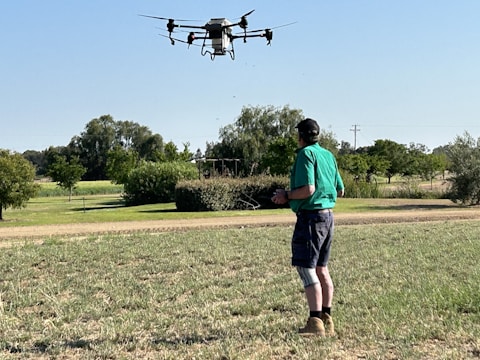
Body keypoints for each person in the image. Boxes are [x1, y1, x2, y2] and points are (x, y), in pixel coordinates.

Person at [271, 118, 345, 337]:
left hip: (311, 218)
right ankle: (326, 318)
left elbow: (308, 189)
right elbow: (339, 190)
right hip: (328, 217)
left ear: (300, 136)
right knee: (322, 268)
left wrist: (287, 195)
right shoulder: (328, 155)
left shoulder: (305, 154)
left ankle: (314, 322)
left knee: (306, 268)